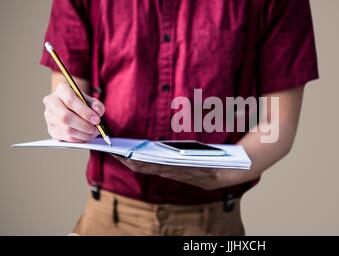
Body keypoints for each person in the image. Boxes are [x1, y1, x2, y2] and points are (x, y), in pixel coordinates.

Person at [40, 0, 318, 236]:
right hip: (105, 220)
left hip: (214, 225)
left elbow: (278, 123)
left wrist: (220, 174)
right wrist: (65, 115)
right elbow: (67, 96)